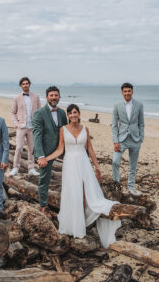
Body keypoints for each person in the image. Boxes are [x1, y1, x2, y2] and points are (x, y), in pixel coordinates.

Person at [40, 104, 121, 248]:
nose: (73, 115)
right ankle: (74, 224)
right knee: (73, 193)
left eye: (75, 112)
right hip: (70, 163)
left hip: (83, 163)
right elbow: (60, 149)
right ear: (68, 115)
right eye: (70, 113)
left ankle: (82, 222)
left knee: (86, 192)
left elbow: (90, 148)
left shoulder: (85, 129)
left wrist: (97, 167)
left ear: (79, 113)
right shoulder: (63, 130)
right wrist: (46, 158)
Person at [34, 86, 68, 217]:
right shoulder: (39, 113)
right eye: (51, 95)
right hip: (45, 152)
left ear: (59, 97)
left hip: (61, 150)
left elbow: (65, 131)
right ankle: (43, 205)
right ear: (47, 97)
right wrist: (41, 156)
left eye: (56, 95)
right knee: (44, 179)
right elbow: (36, 136)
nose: (54, 98)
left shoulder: (62, 113)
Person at [111, 82, 144, 196]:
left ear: (132, 91)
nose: (127, 93)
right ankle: (116, 185)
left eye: (129, 91)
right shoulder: (117, 106)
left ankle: (131, 187)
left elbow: (141, 123)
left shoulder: (139, 105)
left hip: (135, 140)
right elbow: (114, 125)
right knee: (115, 161)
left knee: (133, 166)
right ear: (122, 93)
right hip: (122, 140)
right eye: (125, 91)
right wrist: (116, 141)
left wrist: (141, 138)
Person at [10, 77, 41, 176]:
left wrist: (38, 125)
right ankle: (15, 167)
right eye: (23, 84)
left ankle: (31, 168)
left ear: (29, 84)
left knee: (32, 149)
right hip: (21, 127)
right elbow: (13, 112)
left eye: (27, 83)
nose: (25, 85)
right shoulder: (16, 97)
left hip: (32, 127)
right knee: (19, 147)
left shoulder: (36, 96)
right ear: (21, 85)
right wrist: (16, 123)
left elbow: (39, 112)